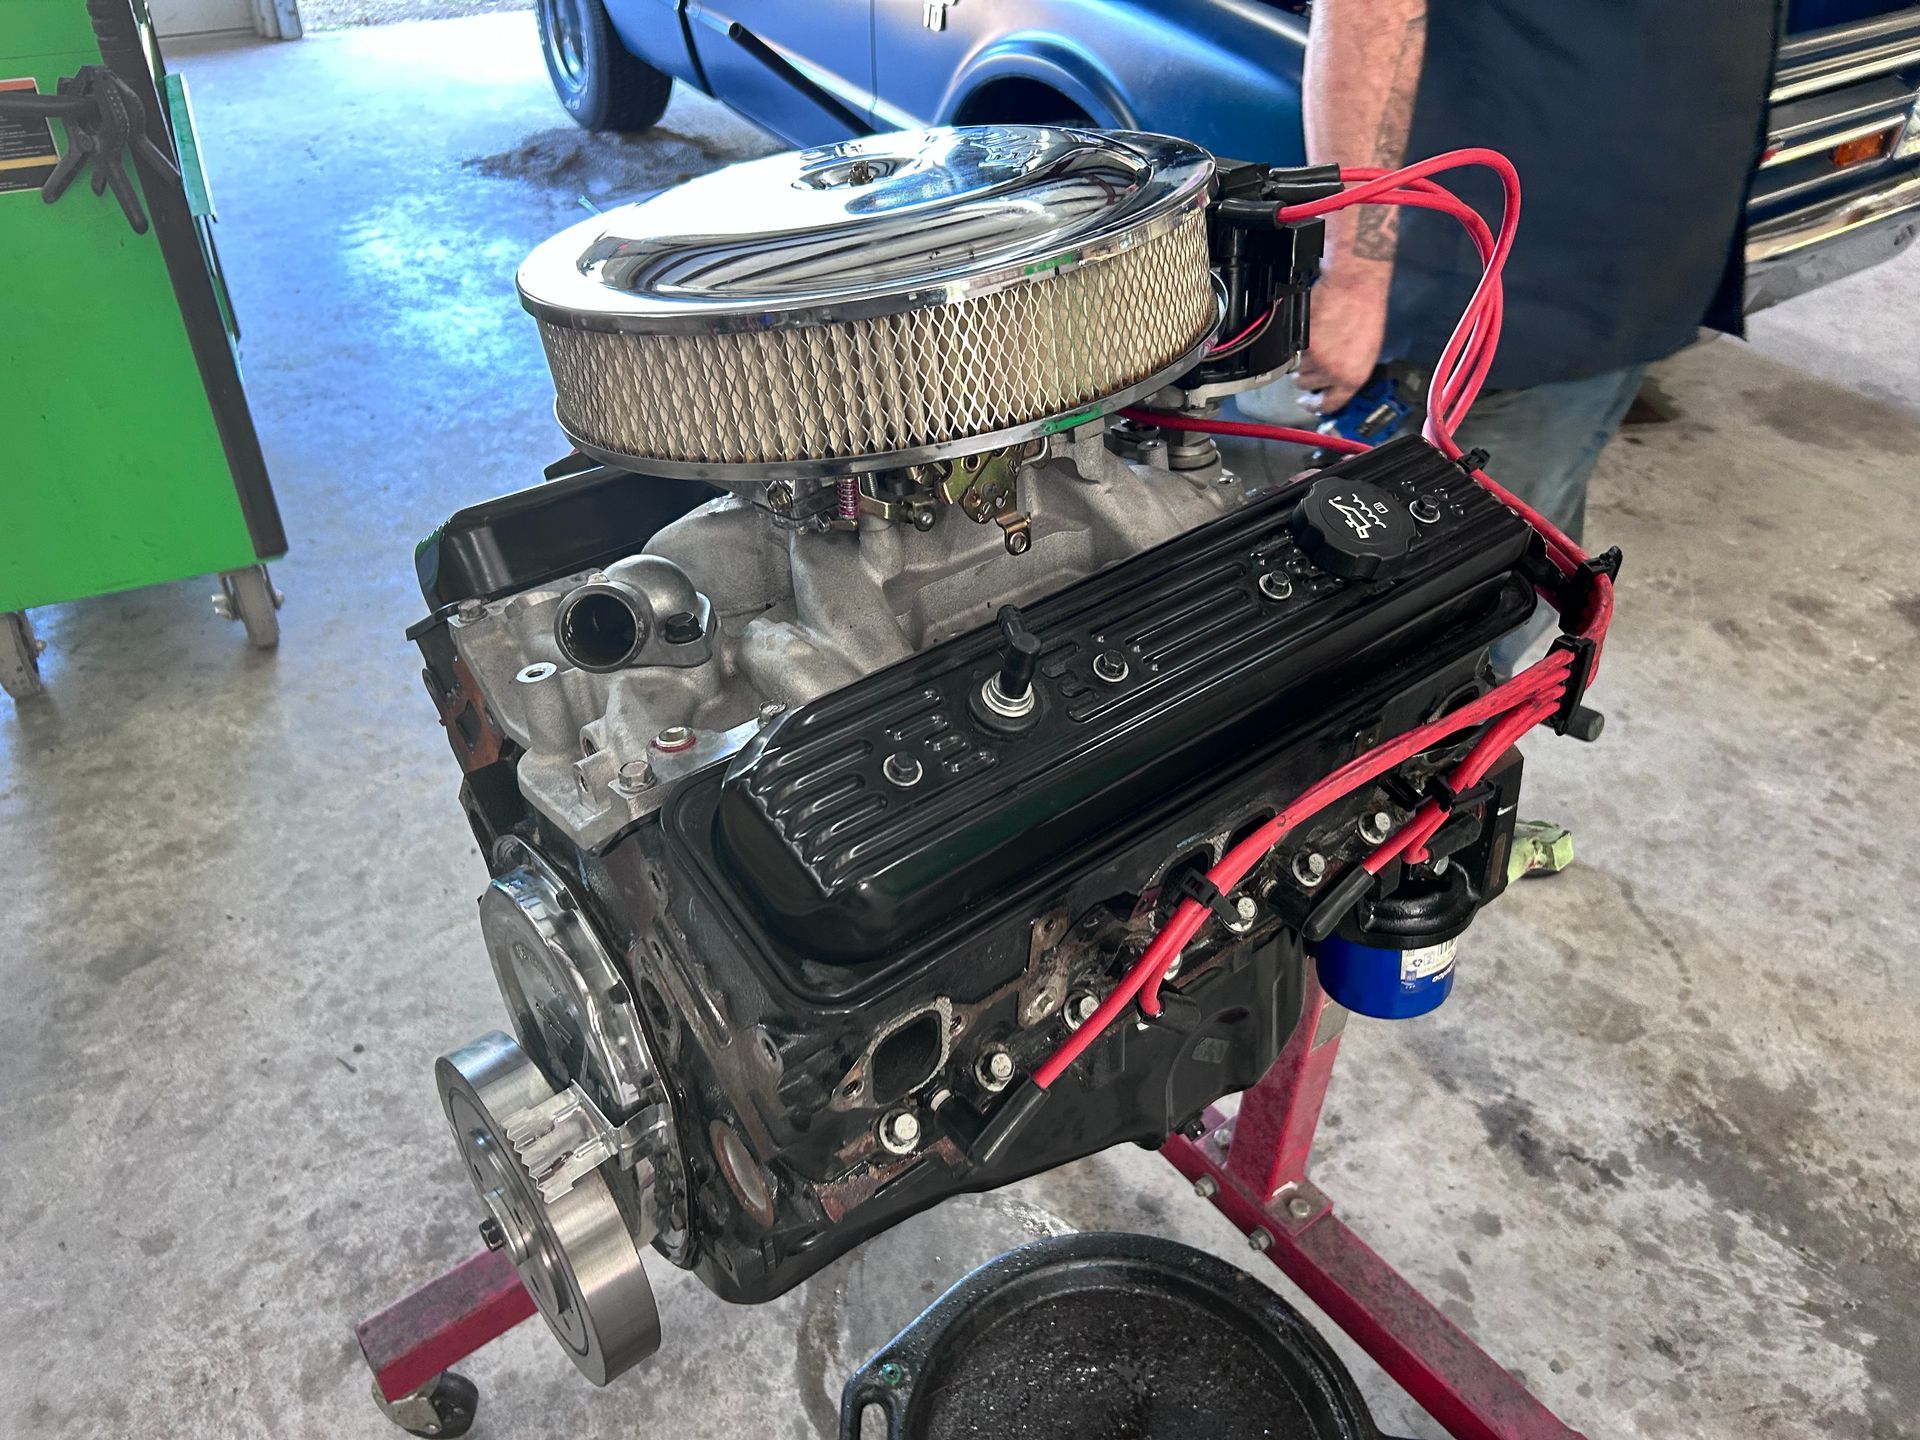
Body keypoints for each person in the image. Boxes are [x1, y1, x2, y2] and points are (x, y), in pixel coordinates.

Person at [1277, 0, 1777, 667]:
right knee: (1414, 650)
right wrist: (1354, 274)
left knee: (1521, 573)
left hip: (1635, 285)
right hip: (1496, 301)